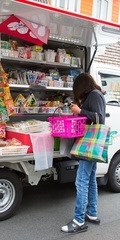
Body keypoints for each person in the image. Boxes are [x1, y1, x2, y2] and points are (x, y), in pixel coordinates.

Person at [61, 73, 106, 234]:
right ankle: (92, 214)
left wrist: (80, 110)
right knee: (91, 180)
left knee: (81, 181)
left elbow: (99, 118)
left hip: (89, 145)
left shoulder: (94, 95)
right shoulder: (94, 95)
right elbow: (92, 117)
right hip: (90, 145)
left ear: (81, 86)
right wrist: (79, 111)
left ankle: (79, 220)